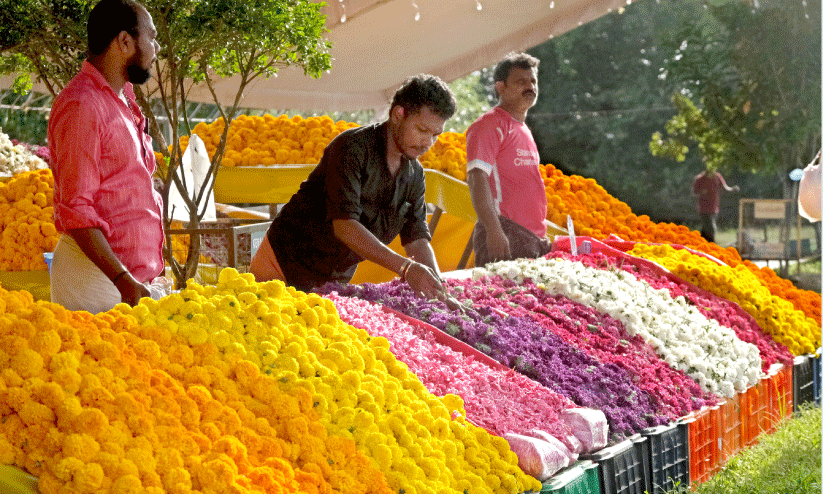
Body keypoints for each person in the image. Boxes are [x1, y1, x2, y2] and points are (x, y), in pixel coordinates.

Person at [250, 74, 455, 300]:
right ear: (398, 114)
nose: (428, 142)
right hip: (282, 265)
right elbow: (345, 225)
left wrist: (440, 291)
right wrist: (406, 268)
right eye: (422, 130)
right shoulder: (352, 147)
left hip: (332, 280)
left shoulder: (414, 174)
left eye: (435, 135)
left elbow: (416, 238)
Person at [48, 0, 163, 313]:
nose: (156, 48)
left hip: (124, 280)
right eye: (151, 37)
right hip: (99, 280)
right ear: (124, 42)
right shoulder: (83, 106)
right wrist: (122, 278)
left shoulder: (121, 100)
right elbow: (75, 210)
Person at [466, 52, 551, 268]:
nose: (530, 86)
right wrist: (494, 231)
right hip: (505, 236)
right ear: (500, 88)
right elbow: (476, 178)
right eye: (520, 81)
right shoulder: (489, 124)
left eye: (533, 80)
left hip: (531, 239)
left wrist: (540, 235)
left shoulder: (523, 130)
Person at [692, 167, 739, 243]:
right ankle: (711, 243)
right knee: (710, 226)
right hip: (703, 207)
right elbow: (694, 192)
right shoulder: (700, 178)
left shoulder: (717, 177)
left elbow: (725, 187)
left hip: (714, 207)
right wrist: (701, 192)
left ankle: (701, 242)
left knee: (706, 227)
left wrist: (732, 189)